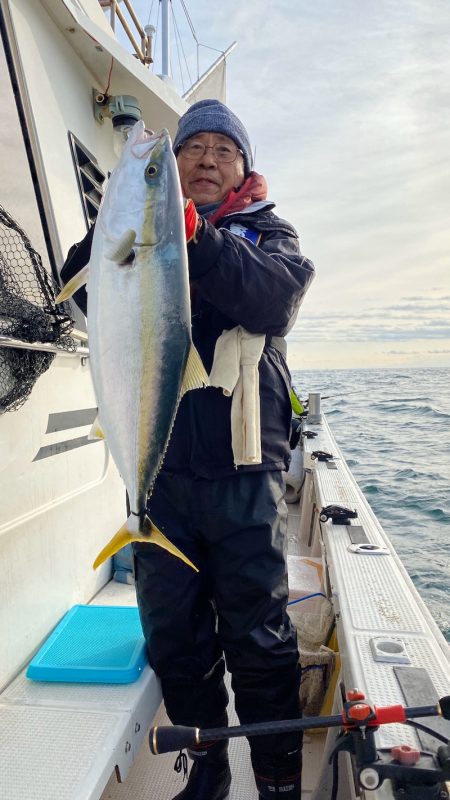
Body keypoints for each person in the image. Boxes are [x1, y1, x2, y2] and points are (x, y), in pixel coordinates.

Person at [61, 99, 314, 800]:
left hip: (244, 474)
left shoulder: (269, 236)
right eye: (193, 147)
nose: (205, 158)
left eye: (223, 150)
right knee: (175, 637)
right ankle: (206, 766)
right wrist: (118, 219)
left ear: (243, 167)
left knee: (260, 643)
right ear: (171, 169)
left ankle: (278, 782)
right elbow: (79, 293)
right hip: (161, 472)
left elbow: (274, 300)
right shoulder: (136, 231)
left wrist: (196, 237)